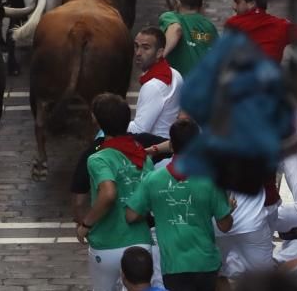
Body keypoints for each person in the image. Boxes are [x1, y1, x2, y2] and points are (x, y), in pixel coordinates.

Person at [125, 119, 235, 291]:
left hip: (173, 267)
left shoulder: (152, 180)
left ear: (172, 146)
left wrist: (155, 207)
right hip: (206, 265)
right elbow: (225, 225)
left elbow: (130, 215)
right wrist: (229, 209)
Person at [78, 94, 153, 291]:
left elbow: (108, 193)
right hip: (141, 244)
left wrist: (86, 224)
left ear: (97, 121)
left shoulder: (98, 159)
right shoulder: (142, 156)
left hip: (107, 244)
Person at [225, 0, 297, 60]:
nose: (233, 7)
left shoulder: (232, 25)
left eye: (237, 2)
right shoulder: (281, 26)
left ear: (251, 3)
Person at [129, 27, 183, 139]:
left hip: (155, 148)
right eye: (136, 46)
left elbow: (139, 130)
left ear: (159, 53)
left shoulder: (153, 86)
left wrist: (111, 123)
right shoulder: (175, 74)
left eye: (145, 48)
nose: (138, 53)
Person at [159, 0, 218, 78]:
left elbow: (176, 30)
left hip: (180, 86)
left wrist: (159, 58)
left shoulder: (170, 17)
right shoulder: (210, 26)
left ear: (178, 3)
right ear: (201, 5)